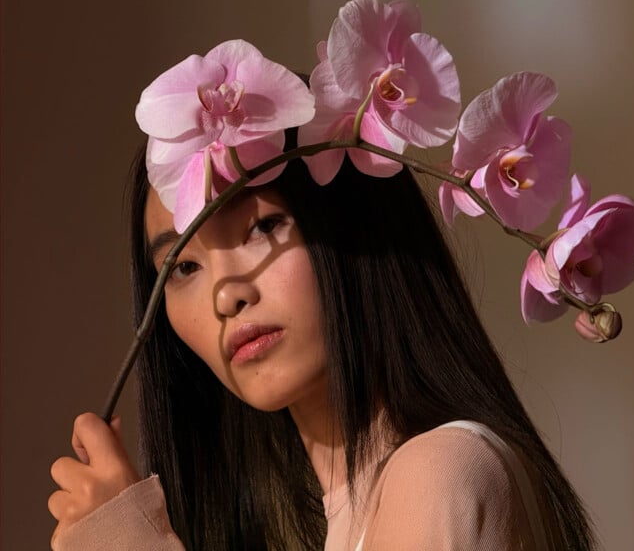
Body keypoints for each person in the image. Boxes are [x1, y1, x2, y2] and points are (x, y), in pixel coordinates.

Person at [48, 129, 597, 550]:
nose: (225, 296)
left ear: (351, 227)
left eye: (263, 227)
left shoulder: (440, 467)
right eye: (184, 266)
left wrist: (124, 536)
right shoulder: (340, 518)